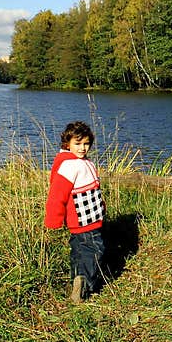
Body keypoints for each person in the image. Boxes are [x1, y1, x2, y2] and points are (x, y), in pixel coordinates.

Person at [44, 121, 106, 303]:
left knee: (79, 251)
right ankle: (85, 284)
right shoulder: (70, 166)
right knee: (95, 250)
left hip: (89, 216)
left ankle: (76, 282)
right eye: (77, 144)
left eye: (86, 143)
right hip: (83, 219)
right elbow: (57, 195)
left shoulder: (83, 162)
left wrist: (102, 206)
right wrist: (53, 220)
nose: (82, 148)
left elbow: (94, 190)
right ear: (67, 143)